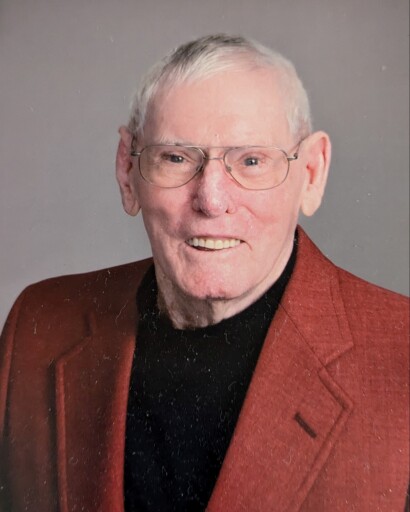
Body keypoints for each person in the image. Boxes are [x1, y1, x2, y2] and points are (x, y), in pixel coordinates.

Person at [0, 34, 408, 512]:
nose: (212, 200)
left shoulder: (400, 353)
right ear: (127, 172)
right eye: (176, 158)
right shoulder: (38, 326)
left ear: (312, 174)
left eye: (251, 161)